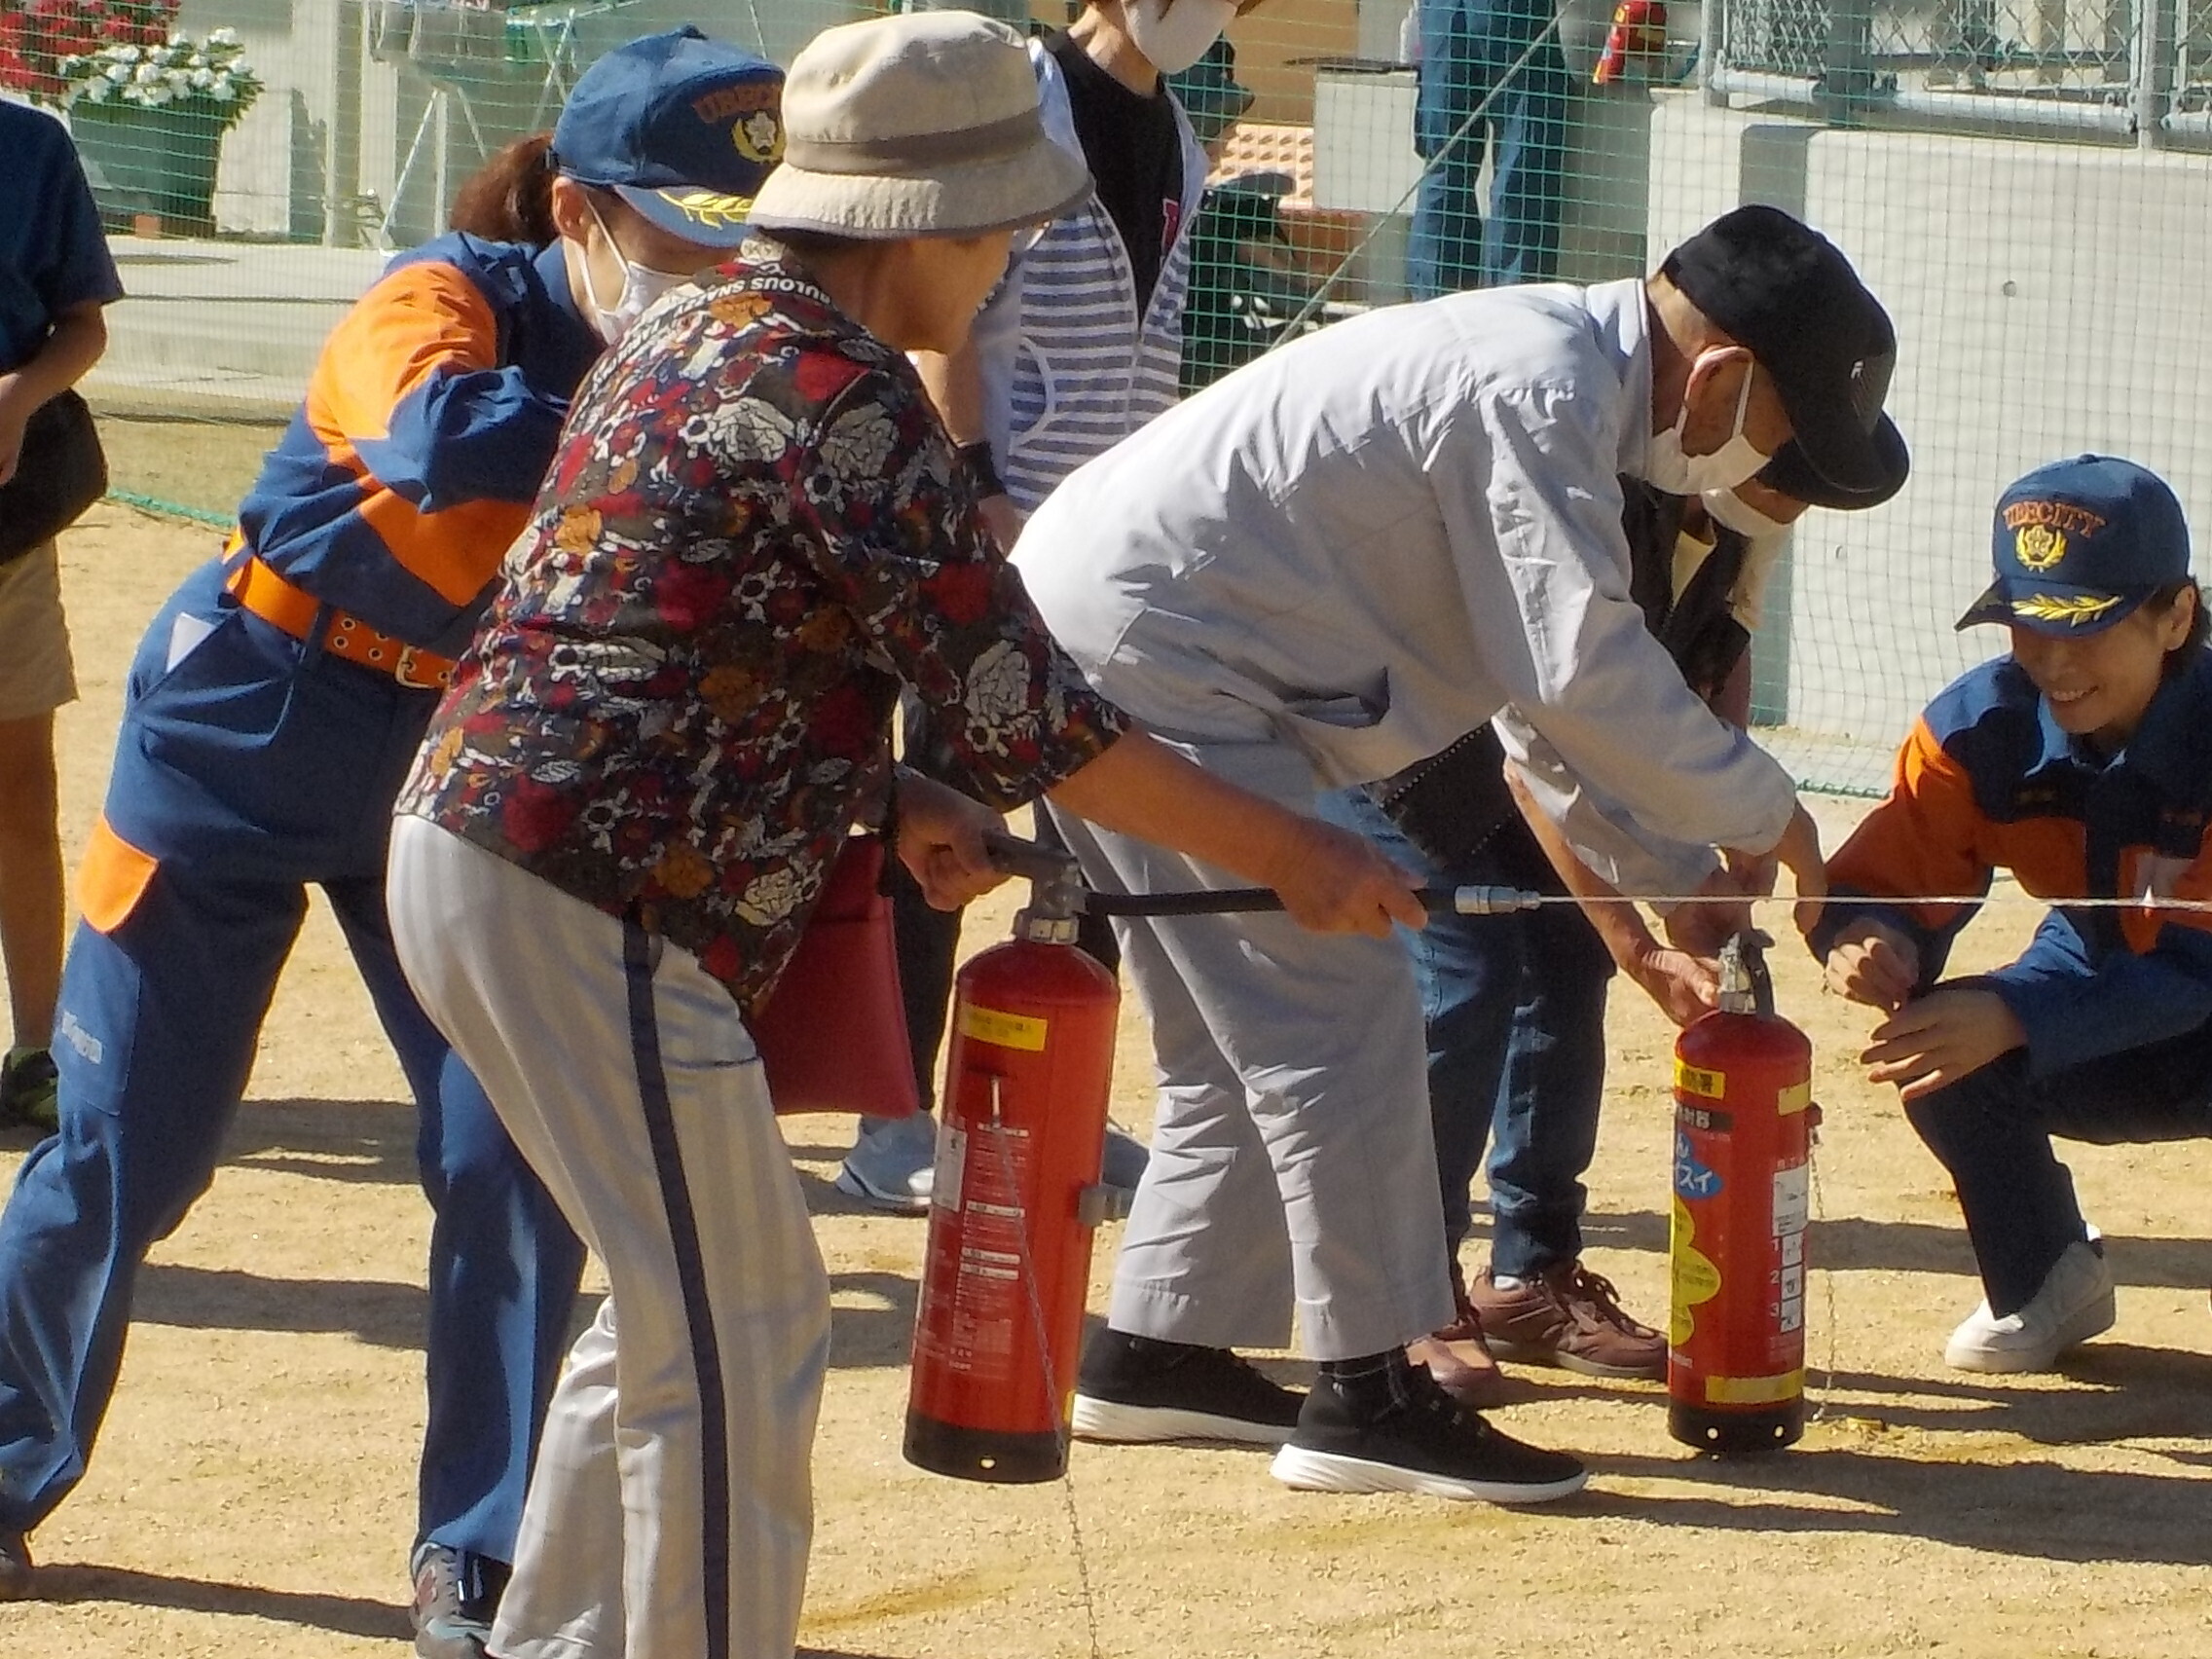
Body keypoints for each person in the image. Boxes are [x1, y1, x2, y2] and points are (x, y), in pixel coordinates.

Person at [384, 16, 1422, 1659]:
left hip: (508, 850)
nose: (1008, 266)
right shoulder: (840, 391)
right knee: (742, 1318)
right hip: (591, 893)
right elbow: (1032, 711)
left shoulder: (702, 323)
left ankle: (564, 1639)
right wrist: (1288, 847)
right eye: (1004, 230)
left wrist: (884, 792)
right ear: (920, 225)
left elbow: (671, 634)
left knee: (680, 1307)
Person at [0, 33, 785, 1651]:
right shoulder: (441, 297)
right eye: (687, 237)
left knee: (511, 1161)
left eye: (745, 242)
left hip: (467, 760)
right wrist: (673, 400)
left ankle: (476, 1555)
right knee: (122, 1145)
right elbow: (434, 437)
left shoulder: (730, 355)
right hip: (246, 715)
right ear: (582, 209)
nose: (720, 275)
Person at [1012, 203, 1894, 1501]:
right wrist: (1775, 819)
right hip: (1160, 662)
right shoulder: (1537, 391)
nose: (1772, 470)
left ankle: (1159, 1345)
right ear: (1720, 376)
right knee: (1346, 1007)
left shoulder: (1552, 380)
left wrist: (1662, 882)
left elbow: (1539, 709)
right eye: (1782, 431)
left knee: (1228, 1042)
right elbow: (1580, 672)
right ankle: (1370, 1392)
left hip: (1110, 647)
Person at [1323, 395, 1911, 1406]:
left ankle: (1528, 1275)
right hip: (1418, 741)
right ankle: (1409, 1301)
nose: (1790, 507)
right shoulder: (1604, 504)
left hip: (1536, 749)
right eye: (1786, 481)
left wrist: (1721, 838)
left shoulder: (1741, 515)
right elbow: (1534, 767)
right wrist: (1642, 940)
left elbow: (1709, 676)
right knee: (1473, 970)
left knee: (1561, 972)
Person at [837, 0, 1249, 1213]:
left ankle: (1054, 1090)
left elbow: (1158, 345)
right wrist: (977, 483)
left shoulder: (1178, 133)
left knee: (1094, 821)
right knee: (943, 810)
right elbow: (941, 303)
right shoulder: (1018, 92)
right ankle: (889, 1115)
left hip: (1108, 545)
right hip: (989, 525)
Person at [1811, 454, 2212, 1375]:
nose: (2053, 661)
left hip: (2189, 990)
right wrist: (1871, 938)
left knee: (1992, 1019)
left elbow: (2198, 970)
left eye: (2087, 627)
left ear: (2176, 615)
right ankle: (2048, 1278)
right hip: (2097, 976)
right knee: (1937, 1049)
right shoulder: (1976, 730)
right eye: (2028, 625)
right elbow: (1888, 878)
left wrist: (2018, 1013)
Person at [0, 102, 122, 1136]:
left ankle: (37, 1050)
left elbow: (83, 325)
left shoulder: (30, 148)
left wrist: (20, 395)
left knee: (19, 790)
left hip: (5, 536)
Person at [1406, 0, 1572, 297]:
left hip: (1441, 14)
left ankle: (1434, 308)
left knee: (1443, 167)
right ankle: (1514, 309)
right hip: (1508, 12)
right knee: (1521, 163)